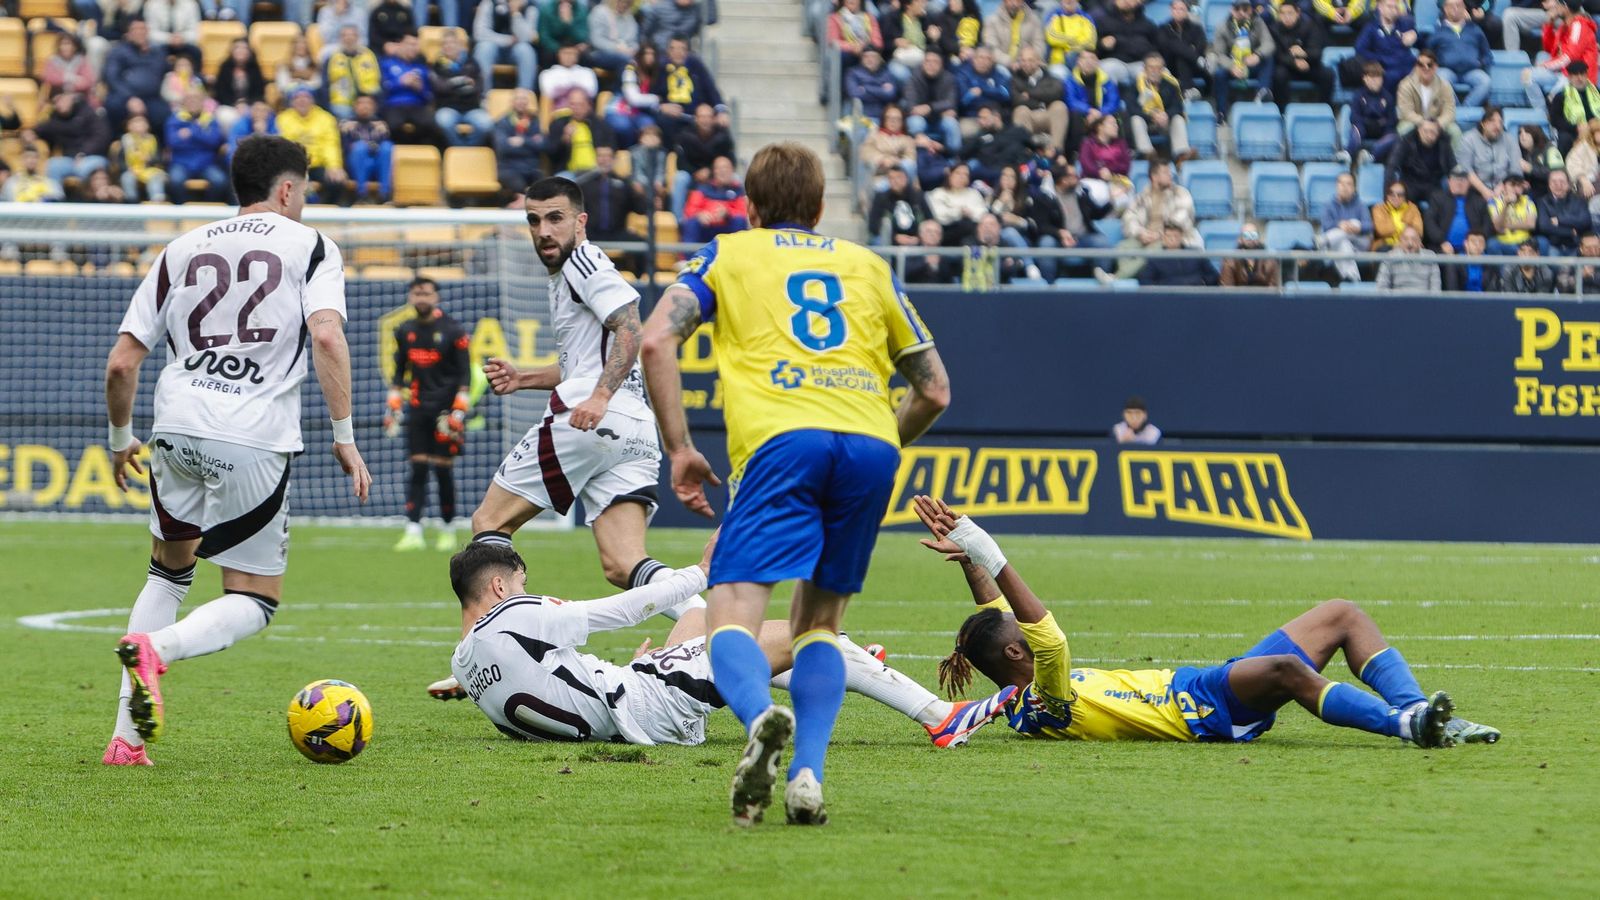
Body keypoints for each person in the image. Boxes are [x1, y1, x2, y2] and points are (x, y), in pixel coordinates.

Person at [638, 142, 952, 827]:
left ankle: (758, 723)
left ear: (748, 207)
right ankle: (807, 773)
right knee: (820, 626)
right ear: (819, 209)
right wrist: (876, 443)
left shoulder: (730, 253)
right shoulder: (868, 265)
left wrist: (682, 449)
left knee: (732, 619)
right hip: (870, 444)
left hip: (783, 442)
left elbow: (657, 341)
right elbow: (934, 391)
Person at [102, 135, 369, 767]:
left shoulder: (179, 248)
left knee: (168, 569)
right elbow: (327, 336)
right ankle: (157, 653)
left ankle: (124, 740)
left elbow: (121, 363)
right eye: (302, 190)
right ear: (286, 189)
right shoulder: (312, 246)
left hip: (177, 425)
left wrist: (120, 438)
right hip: (251, 433)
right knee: (254, 597)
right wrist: (344, 436)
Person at [915, 496, 1498, 749]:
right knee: (1288, 670)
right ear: (1017, 657)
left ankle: (1419, 710)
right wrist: (990, 550)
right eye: (1019, 634)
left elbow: (996, 619)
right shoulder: (1040, 704)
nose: (1023, 624)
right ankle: (1405, 727)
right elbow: (1047, 634)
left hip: (1199, 684)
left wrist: (970, 558)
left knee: (1342, 614)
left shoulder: (1010, 666)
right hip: (1200, 712)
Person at [426, 176, 685, 704]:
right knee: (624, 565)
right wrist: (524, 377)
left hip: (592, 420)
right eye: (534, 221)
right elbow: (582, 362)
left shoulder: (585, 263)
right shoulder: (569, 272)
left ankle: (475, 658)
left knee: (488, 524)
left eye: (555, 218)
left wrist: (599, 396)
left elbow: (631, 328)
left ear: (580, 221)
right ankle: (716, 613)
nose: (543, 231)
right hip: (635, 430)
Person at [447, 540, 1013, 749]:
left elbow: (535, 689)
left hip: (628, 701)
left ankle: (836, 667)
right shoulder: (515, 611)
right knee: (812, 631)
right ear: (499, 586)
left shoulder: (466, 662)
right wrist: (700, 570)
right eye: (520, 581)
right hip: (646, 704)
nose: (527, 589)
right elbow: (615, 610)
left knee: (702, 619)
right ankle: (940, 717)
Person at [385, 276, 471, 551]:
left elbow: (465, 375)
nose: (421, 298)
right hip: (419, 409)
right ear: (410, 297)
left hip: (445, 412)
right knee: (418, 469)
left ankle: (447, 529)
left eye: (426, 293)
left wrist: (458, 411)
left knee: (443, 471)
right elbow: (399, 373)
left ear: (436, 297)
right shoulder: (404, 330)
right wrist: (394, 404)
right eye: (416, 293)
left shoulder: (453, 330)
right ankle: (413, 529)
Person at [1106, 157, 1198, 281]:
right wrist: (1140, 232)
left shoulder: (1180, 193)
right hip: (1145, 236)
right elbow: (1129, 216)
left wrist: (1158, 235)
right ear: (1154, 177)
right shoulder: (1143, 196)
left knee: (1150, 252)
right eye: (1165, 172)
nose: (1170, 175)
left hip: (1169, 239)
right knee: (1122, 248)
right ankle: (1129, 277)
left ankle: (1117, 277)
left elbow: (1180, 219)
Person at [277, 89, 349, 206]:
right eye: (298, 98)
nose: (302, 101)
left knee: (337, 181)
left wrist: (334, 166)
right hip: (292, 165)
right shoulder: (282, 119)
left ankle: (325, 209)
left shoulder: (326, 118)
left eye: (306, 97)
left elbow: (331, 144)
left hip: (317, 164)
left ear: (313, 100)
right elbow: (281, 146)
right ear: (292, 102)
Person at [1525, 0, 1598, 108]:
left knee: (1554, 100)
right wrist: (1549, 24)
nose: (1555, 7)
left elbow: (1569, 58)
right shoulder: (1566, 26)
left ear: (1566, 8)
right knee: (1528, 75)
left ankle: (1548, 115)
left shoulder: (1579, 26)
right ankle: (1541, 114)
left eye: (1558, 4)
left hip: (1578, 77)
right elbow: (1549, 49)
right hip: (1563, 72)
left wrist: (1545, 66)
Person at [381, 32, 448, 147]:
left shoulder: (422, 68)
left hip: (417, 106)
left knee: (433, 127)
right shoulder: (386, 63)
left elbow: (428, 97)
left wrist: (420, 88)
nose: (412, 48)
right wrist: (401, 83)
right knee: (392, 126)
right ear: (400, 45)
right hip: (394, 105)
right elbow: (382, 88)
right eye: (409, 44)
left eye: (415, 45)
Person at [1210, 0, 1275, 117]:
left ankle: (1262, 93)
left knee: (1268, 59)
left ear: (1251, 10)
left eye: (1245, 9)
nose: (1241, 12)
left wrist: (1258, 55)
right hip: (1232, 65)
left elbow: (1269, 43)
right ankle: (1221, 112)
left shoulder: (1258, 22)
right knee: (1219, 74)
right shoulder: (1222, 26)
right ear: (1231, 10)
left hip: (1251, 63)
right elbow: (1219, 54)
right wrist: (1231, 66)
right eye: (1237, 9)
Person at [31, 92, 111, 184]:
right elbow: (46, 128)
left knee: (85, 169)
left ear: (71, 99)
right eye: (56, 102)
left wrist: (83, 153)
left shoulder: (89, 113)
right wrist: (33, 132)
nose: (59, 104)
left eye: (62, 100)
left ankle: (87, 198)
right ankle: (55, 196)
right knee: (53, 166)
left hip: (92, 157)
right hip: (70, 159)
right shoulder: (57, 117)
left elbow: (102, 136)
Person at [165, 91, 229, 204]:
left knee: (220, 181)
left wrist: (192, 132)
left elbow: (214, 141)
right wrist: (202, 133)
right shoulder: (174, 119)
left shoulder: (210, 120)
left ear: (202, 103)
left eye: (196, 100)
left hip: (206, 163)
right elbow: (172, 142)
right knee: (175, 181)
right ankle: (181, 211)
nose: (193, 103)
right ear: (184, 103)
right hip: (181, 163)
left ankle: (209, 207)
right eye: (189, 100)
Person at [104, 20, 170, 128]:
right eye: (135, 29)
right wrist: (130, 97)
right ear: (128, 34)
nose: (140, 32)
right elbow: (112, 77)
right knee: (113, 106)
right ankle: (117, 141)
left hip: (152, 97)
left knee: (165, 113)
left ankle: (157, 143)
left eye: (143, 29)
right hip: (124, 96)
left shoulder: (158, 52)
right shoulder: (118, 52)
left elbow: (168, 71)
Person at [433, 28, 493, 146]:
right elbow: (439, 87)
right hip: (448, 108)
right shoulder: (437, 65)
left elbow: (479, 86)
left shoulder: (472, 62)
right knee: (442, 122)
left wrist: (452, 85)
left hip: (472, 108)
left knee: (486, 124)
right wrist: (461, 82)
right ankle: (459, 148)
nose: (448, 46)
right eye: (445, 43)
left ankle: (469, 149)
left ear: (459, 45)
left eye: (452, 43)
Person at [1429, 0, 1493, 109]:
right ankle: (1457, 109)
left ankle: (1465, 110)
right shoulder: (1438, 31)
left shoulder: (1475, 29)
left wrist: (1481, 63)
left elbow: (1487, 54)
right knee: (1441, 79)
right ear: (1445, 8)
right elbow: (1428, 53)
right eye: (1451, 5)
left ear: (1464, 8)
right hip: (1447, 70)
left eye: (1458, 5)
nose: (1455, 8)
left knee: (1485, 81)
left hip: (1471, 71)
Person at [1268, 2, 1331, 109]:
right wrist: (1294, 62)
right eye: (1282, 13)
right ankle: (1281, 111)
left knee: (1328, 74)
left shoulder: (1310, 26)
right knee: (1279, 75)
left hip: (1308, 65)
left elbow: (1317, 52)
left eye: (1290, 13)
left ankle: (1324, 108)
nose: (1286, 17)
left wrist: (1305, 54)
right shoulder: (1274, 29)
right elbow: (1277, 55)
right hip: (1287, 66)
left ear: (1298, 13)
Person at [1129, 52, 1189, 160]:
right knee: (1135, 120)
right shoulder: (1135, 86)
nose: (1154, 71)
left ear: (1162, 70)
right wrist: (1152, 116)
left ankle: (1181, 155)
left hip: (1165, 123)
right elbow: (1132, 109)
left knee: (1178, 119)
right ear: (1144, 69)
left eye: (1158, 68)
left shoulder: (1171, 85)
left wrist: (1166, 115)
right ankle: (1147, 153)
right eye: (1151, 67)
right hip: (1146, 122)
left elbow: (1178, 107)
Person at [905, 49, 963, 157]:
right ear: (923, 63)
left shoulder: (949, 78)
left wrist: (929, 108)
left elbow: (951, 102)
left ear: (941, 65)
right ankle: (922, 150)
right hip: (923, 121)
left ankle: (952, 156)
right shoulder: (914, 78)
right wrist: (940, 110)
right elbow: (911, 106)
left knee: (951, 123)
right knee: (915, 121)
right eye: (928, 61)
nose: (931, 65)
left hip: (940, 121)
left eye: (935, 62)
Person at [1010, 46, 1068, 155]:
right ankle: (1027, 153)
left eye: (1030, 60)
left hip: (1048, 114)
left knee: (1059, 106)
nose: (1026, 63)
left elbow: (1057, 93)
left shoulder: (1050, 77)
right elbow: (1016, 100)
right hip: (1029, 115)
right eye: (1023, 60)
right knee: (1020, 110)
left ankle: (1055, 151)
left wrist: (1030, 94)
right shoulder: (1014, 78)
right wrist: (1042, 98)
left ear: (1039, 62)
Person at [958, 103, 1033, 186]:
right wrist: (978, 141)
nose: (980, 121)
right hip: (989, 172)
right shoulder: (981, 137)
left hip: (1012, 171)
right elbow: (962, 153)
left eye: (984, 118)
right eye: (979, 118)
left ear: (996, 116)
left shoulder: (1016, 131)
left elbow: (1033, 146)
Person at [681, 156, 750, 243]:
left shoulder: (738, 190)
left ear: (732, 170)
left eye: (726, 167)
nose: (723, 171)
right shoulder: (702, 189)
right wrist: (699, 215)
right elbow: (689, 210)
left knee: (739, 221)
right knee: (692, 223)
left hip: (727, 228)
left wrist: (728, 213)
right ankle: (690, 256)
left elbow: (743, 213)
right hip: (705, 227)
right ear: (714, 171)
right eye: (719, 168)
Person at [1064, 49, 1120, 157]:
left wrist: (1100, 113)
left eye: (1092, 59)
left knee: (1121, 112)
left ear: (1097, 62)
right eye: (1084, 58)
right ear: (1078, 62)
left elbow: (1113, 101)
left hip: (1102, 115)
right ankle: (1077, 151)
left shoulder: (1107, 80)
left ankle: (1124, 150)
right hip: (1083, 115)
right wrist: (1089, 110)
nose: (1088, 62)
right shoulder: (1070, 80)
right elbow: (1071, 101)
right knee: (1074, 114)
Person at [1387, 117, 1456, 204]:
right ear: (1419, 130)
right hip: (1409, 182)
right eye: (1425, 131)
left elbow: (1453, 167)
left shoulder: (1444, 143)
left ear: (1438, 133)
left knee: (1442, 203)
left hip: (1433, 183)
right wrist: (1389, 192)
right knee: (1402, 201)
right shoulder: (1407, 140)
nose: (1429, 135)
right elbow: (1392, 166)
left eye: (1433, 132)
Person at [1396, 51, 1459, 145]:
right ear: (1416, 67)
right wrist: (1423, 123)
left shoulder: (1445, 85)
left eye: (1429, 65)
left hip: (1437, 122)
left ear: (1436, 67)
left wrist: (1437, 123)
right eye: (1421, 64)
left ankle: (1452, 160)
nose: (1425, 68)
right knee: (1405, 129)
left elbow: (1450, 111)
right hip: (1414, 122)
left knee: (1455, 131)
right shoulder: (1405, 84)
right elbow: (1406, 112)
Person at [473, 0, 538, 91]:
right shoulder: (489, 3)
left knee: (526, 50)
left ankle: (525, 95)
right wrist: (506, 40)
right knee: (483, 48)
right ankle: (482, 96)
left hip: (516, 49)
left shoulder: (530, 7)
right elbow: (479, 33)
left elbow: (527, 38)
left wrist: (516, 13)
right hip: (494, 47)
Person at [1459, 108, 1523, 200]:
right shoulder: (1469, 139)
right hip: (1476, 190)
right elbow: (1466, 169)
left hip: (1506, 189)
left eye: (1500, 122)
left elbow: (1516, 168)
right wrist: (1484, 190)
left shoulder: (1510, 140)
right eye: (1492, 121)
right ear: (1483, 123)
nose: (1497, 126)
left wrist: (1502, 186)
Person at [1321, 172, 1375, 282]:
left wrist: (1356, 228)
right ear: (1337, 186)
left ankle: (1323, 241)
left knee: (1355, 222)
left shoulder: (1360, 204)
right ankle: (1352, 278)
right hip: (1338, 244)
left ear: (1354, 188)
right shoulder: (1328, 205)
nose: (1345, 187)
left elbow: (1369, 226)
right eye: (1342, 184)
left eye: (1349, 184)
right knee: (1343, 244)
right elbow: (1326, 225)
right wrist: (1339, 225)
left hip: (1359, 242)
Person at [1425, 165, 1492, 254]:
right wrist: (1442, 241)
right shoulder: (1438, 198)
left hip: (1474, 250)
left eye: (1463, 180)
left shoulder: (1479, 201)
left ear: (1469, 183)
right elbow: (1429, 222)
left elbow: (1487, 225)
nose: (1459, 183)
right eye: (1456, 179)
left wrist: (1478, 243)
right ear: (1449, 182)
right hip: (1444, 248)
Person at [547, 92, 616, 177]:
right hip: (569, 173)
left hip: (596, 171)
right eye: (573, 104)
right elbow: (550, 153)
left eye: (580, 104)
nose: (577, 108)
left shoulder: (601, 125)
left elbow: (612, 147)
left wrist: (604, 154)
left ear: (589, 105)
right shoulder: (559, 124)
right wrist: (564, 140)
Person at [1355, 0, 1419, 92]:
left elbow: (1421, 39)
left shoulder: (1404, 24)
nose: (1393, 10)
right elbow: (1360, 49)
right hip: (1386, 70)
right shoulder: (1371, 28)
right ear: (1380, 7)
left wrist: (1415, 34)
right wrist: (1380, 59)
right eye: (1389, 7)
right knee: (1388, 77)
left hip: (1407, 68)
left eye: (1395, 7)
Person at [492, 87, 544, 197]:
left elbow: (543, 146)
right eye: (518, 99)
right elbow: (503, 147)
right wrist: (531, 143)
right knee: (515, 182)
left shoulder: (535, 121)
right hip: (509, 168)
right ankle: (523, 198)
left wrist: (523, 141)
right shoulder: (502, 123)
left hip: (532, 168)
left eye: (524, 99)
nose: (521, 102)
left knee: (544, 184)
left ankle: (522, 200)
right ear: (512, 102)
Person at [341, 93, 393, 202]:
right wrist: (370, 146)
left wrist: (370, 146)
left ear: (374, 107)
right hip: (356, 165)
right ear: (354, 106)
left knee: (387, 147)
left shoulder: (380, 125)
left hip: (376, 164)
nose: (365, 106)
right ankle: (361, 194)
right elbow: (345, 150)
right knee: (359, 148)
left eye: (369, 103)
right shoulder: (347, 125)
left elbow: (383, 150)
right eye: (361, 103)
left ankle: (385, 194)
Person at [1095, 0, 1159, 86]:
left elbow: (1157, 49)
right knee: (1105, 69)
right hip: (1113, 62)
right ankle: (1111, 99)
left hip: (1140, 64)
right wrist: (1102, 45)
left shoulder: (1148, 24)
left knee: (1160, 71)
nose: (1126, 1)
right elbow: (1092, 50)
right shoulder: (1102, 21)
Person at [326, 25, 382, 120]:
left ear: (358, 37)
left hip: (368, 99)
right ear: (340, 38)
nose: (349, 38)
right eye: (345, 35)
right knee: (344, 116)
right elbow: (325, 84)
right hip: (342, 101)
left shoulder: (370, 56)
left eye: (352, 35)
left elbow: (380, 80)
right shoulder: (332, 58)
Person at [1154, 0, 1208, 97]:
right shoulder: (1163, 28)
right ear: (1171, 10)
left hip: (1193, 66)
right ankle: (1189, 91)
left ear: (1187, 11)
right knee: (1178, 52)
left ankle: (1189, 92)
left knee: (1182, 58)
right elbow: (1166, 46)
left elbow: (1201, 47)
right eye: (1175, 9)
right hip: (1169, 65)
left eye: (1181, 9)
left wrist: (1183, 50)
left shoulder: (1196, 28)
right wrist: (1192, 52)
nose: (1178, 11)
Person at [868, 164, 932, 246]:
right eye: (891, 178)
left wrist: (919, 238)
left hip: (918, 241)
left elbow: (930, 220)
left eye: (898, 177)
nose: (895, 181)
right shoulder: (881, 198)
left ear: (906, 178)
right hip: (890, 242)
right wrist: (895, 237)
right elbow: (873, 225)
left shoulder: (918, 196)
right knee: (877, 240)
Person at [1137, 222, 1218, 286]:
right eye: (1169, 236)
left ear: (1181, 237)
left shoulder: (1196, 253)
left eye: (1176, 236)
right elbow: (1145, 280)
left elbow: (1212, 275)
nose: (1172, 239)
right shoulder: (1155, 258)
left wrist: (1202, 283)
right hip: (1168, 298)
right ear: (1163, 238)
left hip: (1196, 295)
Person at [926, 161, 987, 244]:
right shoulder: (938, 193)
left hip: (971, 230)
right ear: (950, 174)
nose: (961, 177)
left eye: (965, 174)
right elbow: (939, 215)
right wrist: (959, 212)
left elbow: (982, 212)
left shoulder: (974, 194)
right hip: (947, 230)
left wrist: (970, 213)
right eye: (958, 173)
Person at [1350, 61, 1400, 163]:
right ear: (1365, 78)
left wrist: (1381, 124)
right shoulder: (1358, 95)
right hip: (1364, 128)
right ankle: (1348, 154)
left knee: (1393, 137)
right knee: (1356, 129)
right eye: (1372, 77)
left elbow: (1392, 120)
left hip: (1382, 131)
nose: (1376, 81)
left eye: (1379, 77)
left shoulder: (1388, 97)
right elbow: (1354, 117)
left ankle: (1370, 156)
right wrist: (1371, 122)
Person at [1550, 61, 1600, 152]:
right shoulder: (1561, 96)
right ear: (1569, 77)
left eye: (1582, 74)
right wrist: (1576, 127)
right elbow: (1555, 120)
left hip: (1597, 128)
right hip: (1574, 131)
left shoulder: (1597, 92)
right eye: (1576, 75)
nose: (1580, 78)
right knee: (1564, 138)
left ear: (1586, 75)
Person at [983, 0, 1045, 69]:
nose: (1014, 4)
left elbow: (1039, 45)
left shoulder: (1034, 20)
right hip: (1000, 65)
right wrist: (1010, 62)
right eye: (1010, 0)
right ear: (1004, 1)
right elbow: (991, 49)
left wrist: (1027, 61)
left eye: (1018, 1)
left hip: (1028, 65)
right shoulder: (991, 20)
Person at [119, 113, 167, 202]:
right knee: (127, 178)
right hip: (131, 170)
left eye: (142, 122)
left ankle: (157, 199)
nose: (139, 125)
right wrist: (126, 168)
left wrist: (151, 159)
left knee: (156, 177)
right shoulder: (126, 140)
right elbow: (120, 159)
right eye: (135, 122)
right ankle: (131, 201)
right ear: (129, 126)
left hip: (148, 169)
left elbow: (159, 158)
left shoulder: (152, 139)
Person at [955, 45, 1011, 123]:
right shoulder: (963, 74)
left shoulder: (998, 74)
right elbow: (963, 100)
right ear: (973, 59)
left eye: (988, 58)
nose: (984, 61)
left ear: (992, 61)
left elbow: (1005, 95)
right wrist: (984, 107)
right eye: (981, 57)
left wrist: (983, 90)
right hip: (971, 117)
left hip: (995, 115)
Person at [1537, 169, 1588, 253]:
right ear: (1549, 184)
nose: (1558, 185)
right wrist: (1570, 232)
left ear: (1568, 184)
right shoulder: (1543, 202)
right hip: (1553, 245)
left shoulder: (1579, 200)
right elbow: (1544, 226)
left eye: (1562, 182)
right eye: (1554, 182)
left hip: (1575, 245)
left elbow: (1585, 221)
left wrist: (1560, 220)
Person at [1376, 225, 1443, 289]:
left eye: (1414, 239)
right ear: (1400, 241)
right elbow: (1382, 287)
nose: (1410, 243)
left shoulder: (1430, 257)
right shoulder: (1390, 257)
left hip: (1423, 299)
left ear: (1420, 242)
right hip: (1398, 299)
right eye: (1405, 239)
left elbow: (1435, 288)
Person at [540, 42, 601, 110]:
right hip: (559, 112)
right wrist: (576, 86)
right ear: (558, 54)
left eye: (572, 53)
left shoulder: (587, 72)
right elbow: (548, 93)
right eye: (565, 53)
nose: (568, 56)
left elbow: (591, 92)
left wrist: (563, 88)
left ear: (577, 56)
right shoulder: (548, 73)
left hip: (583, 111)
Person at [1045, 0, 1097, 79]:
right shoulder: (1053, 15)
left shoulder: (1086, 17)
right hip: (1058, 63)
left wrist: (1069, 45)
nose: (1069, 1)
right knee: (1061, 74)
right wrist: (1074, 40)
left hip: (1082, 63)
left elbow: (1091, 42)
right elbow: (1051, 37)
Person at [846, 47, 899, 123]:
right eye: (866, 56)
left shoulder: (887, 74)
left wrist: (865, 88)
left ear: (879, 59)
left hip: (882, 119)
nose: (869, 60)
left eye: (873, 57)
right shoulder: (853, 73)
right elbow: (853, 93)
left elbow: (890, 94)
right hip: (861, 118)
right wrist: (881, 90)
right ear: (861, 59)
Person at [1219, 221, 1280, 287]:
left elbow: (1274, 290)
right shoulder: (1230, 261)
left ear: (1259, 239)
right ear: (1239, 239)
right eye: (1246, 235)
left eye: (1254, 235)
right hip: (1239, 297)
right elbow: (1227, 290)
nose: (1250, 239)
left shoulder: (1270, 261)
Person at [1489, 173, 1540, 252]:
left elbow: (1531, 224)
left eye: (1519, 186)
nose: (1516, 189)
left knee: (1542, 242)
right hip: (1503, 242)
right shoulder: (1494, 202)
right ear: (1503, 187)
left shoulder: (1527, 200)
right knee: (1492, 244)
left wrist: (1505, 225)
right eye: (1512, 185)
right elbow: (1498, 228)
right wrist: (1506, 205)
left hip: (1524, 242)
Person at [828, 0, 884, 72]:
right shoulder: (835, 18)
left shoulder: (870, 18)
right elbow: (833, 42)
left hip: (867, 52)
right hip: (849, 56)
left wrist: (864, 47)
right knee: (841, 57)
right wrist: (853, 47)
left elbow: (878, 42)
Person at [1, 145, 65, 203]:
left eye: (34, 158)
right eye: (27, 157)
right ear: (22, 160)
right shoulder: (11, 182)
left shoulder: (49, 182)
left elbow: (59, 197)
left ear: (38, 160)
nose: (31, 160)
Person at [904, 218, 960, 284]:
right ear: (920, 234)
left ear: (940, 237)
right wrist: (925, 262)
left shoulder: (945, 254)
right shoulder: (911, 252)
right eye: (929, 231)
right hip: (916, 291)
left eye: (936, 232)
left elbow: (951, 276)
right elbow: (905, 272)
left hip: (941, 292)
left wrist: (938, 263)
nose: (932, 234)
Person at [1371, 180, 1424, 249]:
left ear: (1405, 196)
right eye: (1391, 193)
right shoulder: (1379, 208)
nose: (1396, 197)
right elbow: (1382, 230)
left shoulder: (1412, 208)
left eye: (1400, 194)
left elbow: (1418, 230)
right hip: (1387, 244)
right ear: (1387, 195)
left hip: (1409, 243)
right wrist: (1403, 227)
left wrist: (1396, 230)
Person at [1521, 123, 1566, 196]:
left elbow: (1558, 173)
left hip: (1550, 192)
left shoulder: (1550, 150)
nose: (1522, 136)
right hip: (1533, 191)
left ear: (1535, 133)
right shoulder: (1523, 153)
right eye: (1520, 133)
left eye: (1527, 132)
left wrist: (1531, 169)